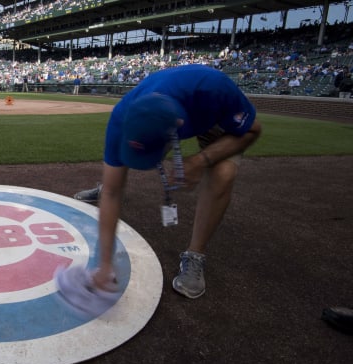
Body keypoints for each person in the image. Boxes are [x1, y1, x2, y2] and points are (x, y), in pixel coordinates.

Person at [76, 64, 262, 299]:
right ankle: (104, 184)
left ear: (176, 133)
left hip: (212, 115)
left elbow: (253, 131)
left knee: (223, 174)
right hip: (170, 112)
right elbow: (112, 194)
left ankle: (195, 255)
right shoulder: (122, 117)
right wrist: (105, 265)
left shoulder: (216, 90)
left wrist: (201, 160)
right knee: (113, 183)